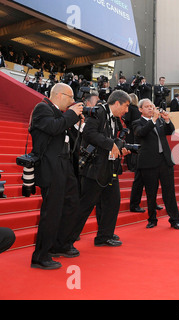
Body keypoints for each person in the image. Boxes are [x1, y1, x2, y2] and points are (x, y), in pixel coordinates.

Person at [29, 83, 84, 269]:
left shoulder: (60, 113)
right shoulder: (42, 108)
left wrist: (76, 121)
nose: (72, 102)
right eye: (70, 98)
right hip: (50, 166)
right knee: (51, 212)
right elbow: (53, 128)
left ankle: (59, 244)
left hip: (65, 165)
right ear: (60, 95)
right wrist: (71, 115)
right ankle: (40, 255)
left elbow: (67, 135)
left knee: (71, 204)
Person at [68, 90, 132, 248]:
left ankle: (104, 236)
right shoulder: (99, 112)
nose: (127, 110)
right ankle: (66, 239)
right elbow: (89, 134)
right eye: (126, 106)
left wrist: (120, 147)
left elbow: (114, 138)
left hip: (109, 167)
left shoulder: (115, 119)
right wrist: (111, 145)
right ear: (117, 103)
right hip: (95, 168)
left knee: (113, 202)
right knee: (85, 205)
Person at [133, 99, 179, 230]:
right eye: (147, 107)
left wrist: (166, 120)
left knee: (169, 192)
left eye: (152, 106)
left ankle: (175, 220)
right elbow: (141, 133)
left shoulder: (160, 121)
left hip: (165, 161)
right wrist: (153, 120)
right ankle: (152, 219)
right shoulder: (137, 123)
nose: (150, 108)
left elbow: (170, 131)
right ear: (140, 109)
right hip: (148, 163)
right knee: (151, 193)